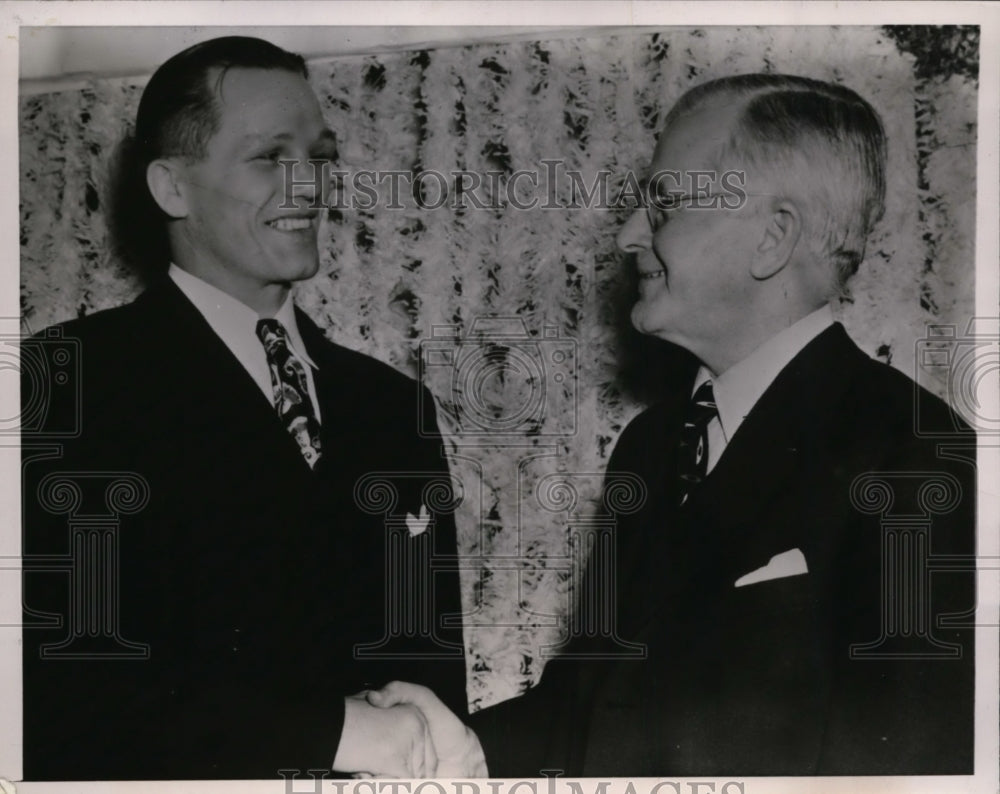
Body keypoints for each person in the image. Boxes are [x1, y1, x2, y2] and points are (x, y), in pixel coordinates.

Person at [366, 73, 977, 776]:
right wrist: (462, 750)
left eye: (664, 206)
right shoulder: (651, 447)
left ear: (773, 238)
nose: (629, 236)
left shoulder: (915, 457)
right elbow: (588, 706)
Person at [21, 36, 466, 780]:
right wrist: (329, 732)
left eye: (319, 157)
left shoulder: (393, 407)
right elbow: (57, 689)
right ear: (171, 188)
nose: (309, 187)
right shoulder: (62, 381)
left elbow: (433, 688)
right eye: (270, 158)